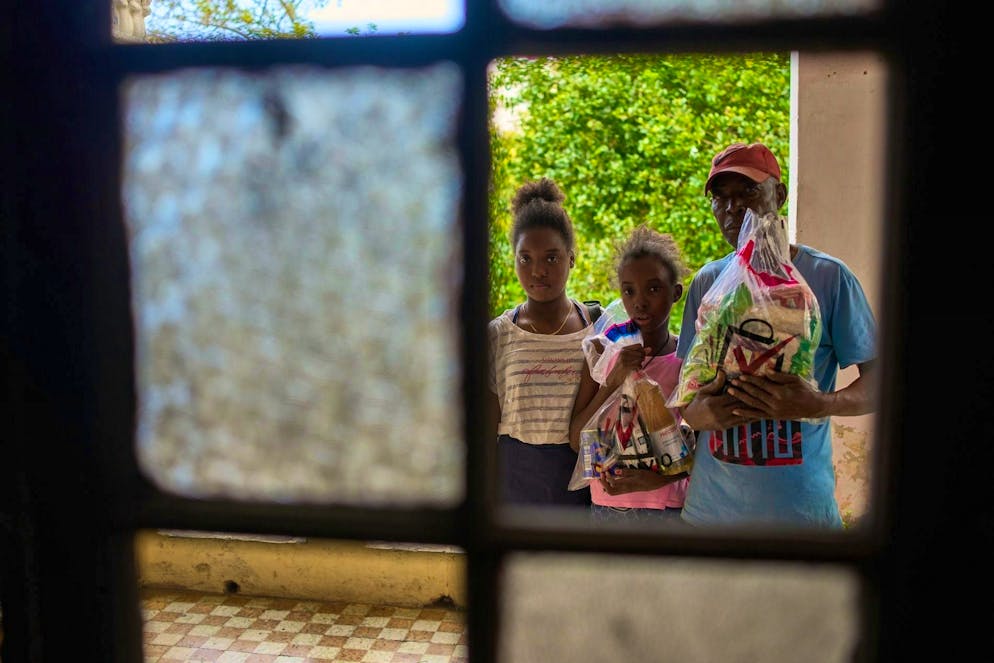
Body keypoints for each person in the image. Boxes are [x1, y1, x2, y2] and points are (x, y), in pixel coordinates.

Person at [677, 142, 878, 529]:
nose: (732, 208)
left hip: (802, 521)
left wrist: (818, 403)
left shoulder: (828, 278)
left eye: (748, 192)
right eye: (720, 198)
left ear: (779, 195)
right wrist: (699, 415)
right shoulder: (708, 284)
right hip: (709, 520)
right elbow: (685, 397)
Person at [569, 224, 691, 522]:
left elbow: (700, 446)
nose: (640, 301)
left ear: (675, 293)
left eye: (653, 288)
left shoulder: (686, 360)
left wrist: (660, 478)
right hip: (608, 506)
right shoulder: (602, 354)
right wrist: (615, 378)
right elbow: (576, 439)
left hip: (666, 508)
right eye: (629, 290)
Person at [487, 177, 598, 507]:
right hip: (515, 484)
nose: (538, 271)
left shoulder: (597, 327)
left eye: (551, 258)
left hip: (582, 482)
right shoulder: (498, 334)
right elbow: (487, 427)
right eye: (526, 259)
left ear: (571, 258)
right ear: (514, 260)